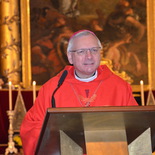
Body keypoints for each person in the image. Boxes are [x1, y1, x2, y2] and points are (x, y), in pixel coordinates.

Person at [20, 30, 138, 155]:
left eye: (94, 50)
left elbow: (136, 126)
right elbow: (32, 127)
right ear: (70, 57)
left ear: (100, 54)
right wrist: (58, 138)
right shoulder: (53, 88)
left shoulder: (119, 86)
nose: (89, 56)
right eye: (81, 51)